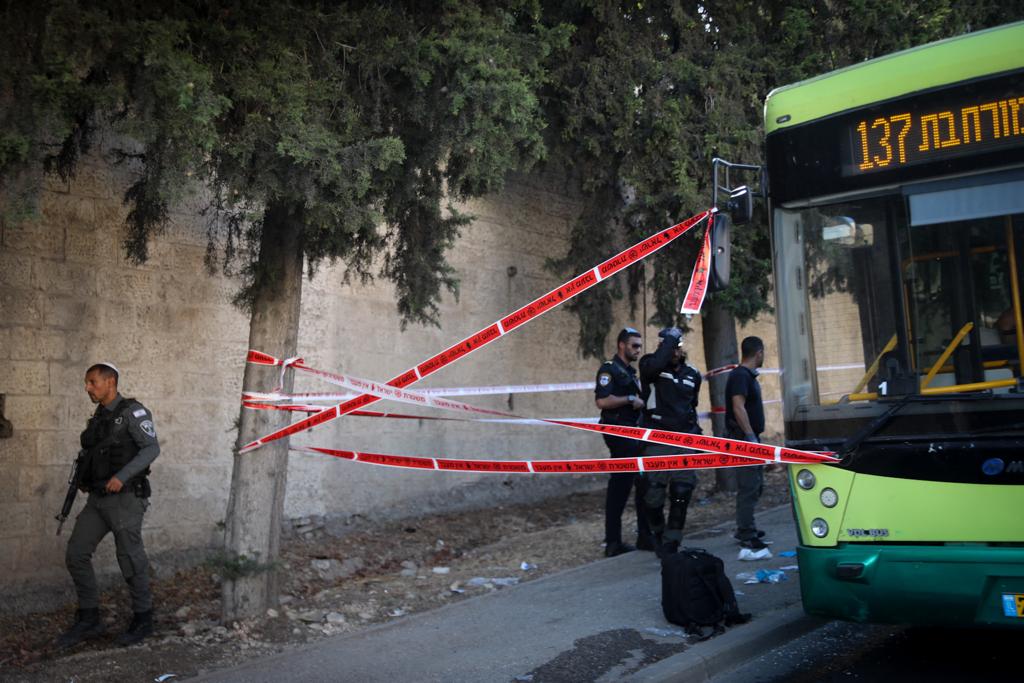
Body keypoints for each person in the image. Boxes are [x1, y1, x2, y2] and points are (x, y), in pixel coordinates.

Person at [58, 363, 160, 648]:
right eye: (87, 383)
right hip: (98, 500)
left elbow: (152, 448)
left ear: (110, 381)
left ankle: (143, 618)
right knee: (76, 553)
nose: (88, 388)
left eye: (92, 382)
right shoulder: (99, 417)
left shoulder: (132, 412)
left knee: (129, 557)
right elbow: (93, 453)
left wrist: (121, 476)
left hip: (126, 499)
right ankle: (90, 617)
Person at [638, 326, 703, 558]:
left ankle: (672, 543)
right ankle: (657, 533)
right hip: (657, 439)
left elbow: (691, 405)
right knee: (654, 495)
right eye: (669, 347)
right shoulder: (650, 366)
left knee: (681, 492)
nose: (674, 352)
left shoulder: (693, 373)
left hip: (684, 440)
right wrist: (668, 341)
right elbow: (655, 365)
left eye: (677, 347)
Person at [594, 327, 653, 556]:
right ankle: (613, 542)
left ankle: (645, 536)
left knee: (642, 481)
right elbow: (602, 401)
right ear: (622, 345)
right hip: (619, 433)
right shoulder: (609, 369)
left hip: (633, 432)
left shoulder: (629, 371)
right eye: (634, 345)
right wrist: (629, 398)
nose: (638, 349)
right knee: (621, 485)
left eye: (640, 345)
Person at [725, 337, 770, 550]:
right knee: (749, 486)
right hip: (743, 439)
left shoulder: (746, 376)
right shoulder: (741, 376)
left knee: (756, 485)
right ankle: (746, 532)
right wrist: (750, 436)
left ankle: (746, 525)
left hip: (750, 437)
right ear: (758, 353)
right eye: (763, 353)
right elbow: (738, 407)